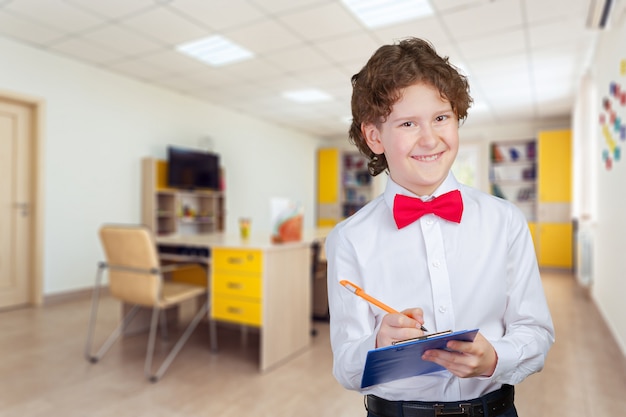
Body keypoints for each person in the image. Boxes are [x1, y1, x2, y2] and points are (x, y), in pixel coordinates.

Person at [325, 37, 554, 417]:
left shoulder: (505, 221)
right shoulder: (348, 239)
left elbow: (537, 332)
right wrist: (378, 341)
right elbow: (346, 367)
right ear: (374, 136)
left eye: (441, 117)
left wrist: (496, 357)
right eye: (408, 123)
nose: (430, 138)